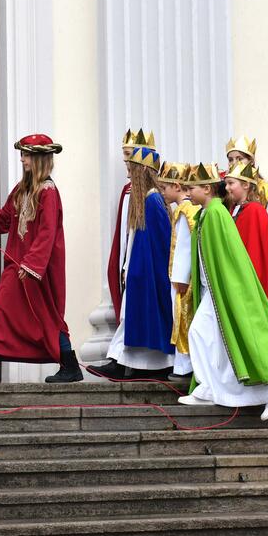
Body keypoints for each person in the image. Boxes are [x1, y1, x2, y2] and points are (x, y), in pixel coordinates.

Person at [180, 163, 268, 420]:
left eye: (192, 188)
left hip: (221, 290)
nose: (187, 193)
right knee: (206, 337)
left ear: (207, 189)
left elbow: (230, 257)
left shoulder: (216, 213)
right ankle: (208, 387)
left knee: (213, 335)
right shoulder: (209, 213)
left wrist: (229, 288)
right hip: (214, 290)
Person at [0, 134, 80, 384]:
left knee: (46, 317)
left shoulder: (48, 192)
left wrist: (32, 265)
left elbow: (48, 232)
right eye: (22, 154)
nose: (22, 159)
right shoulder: (21, 189)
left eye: (26, 155)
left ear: (39, 159)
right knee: (3, 311)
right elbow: (5, 219)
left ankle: (70, 365)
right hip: (17, 265)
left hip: (36, 269)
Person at [95, 144, 175, 379]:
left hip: (148, 273)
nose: (128, 173)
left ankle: (125, 364)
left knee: (137, 317)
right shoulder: (146, 201)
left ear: (143, 171)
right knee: (131, 318)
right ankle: (122, 362)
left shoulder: (153, 201)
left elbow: (158, 245)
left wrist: (137, 271)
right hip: (139, 270)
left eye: (132, 169)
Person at [223, 162, 268, 348]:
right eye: (226, 183)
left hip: (252, 280)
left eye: (231, 183)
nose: (227, 188)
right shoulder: (234, 210)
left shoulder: (256, 211)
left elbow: (258, 253)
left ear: (246, 185)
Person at [104, 129, 152, 331]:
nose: (125, 159)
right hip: (128, 255)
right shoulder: (127, 190)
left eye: (128, 153)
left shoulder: (153, 195)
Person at [160, 162, 198, 379]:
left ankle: (185, 366)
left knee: (182, 318)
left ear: (176, 186)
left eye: (165, 187)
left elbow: (184, 247)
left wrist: (180, 278)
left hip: (182, 279)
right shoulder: (189, 209)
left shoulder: (185, 210)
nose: (163, 192)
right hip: (185, 277)